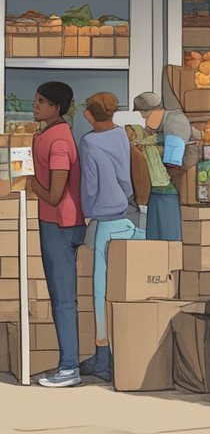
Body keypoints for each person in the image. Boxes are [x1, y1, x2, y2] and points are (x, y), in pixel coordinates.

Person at [29, 82, 85, 388]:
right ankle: (68, 365)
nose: (35, 105)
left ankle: (68, 368)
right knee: (61, 296)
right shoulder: (47, 134)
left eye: (42, 101)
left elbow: (53, 194)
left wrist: (27, 180)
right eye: (36, 99)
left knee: (63, 299)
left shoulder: (59, 141)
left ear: (57, 108)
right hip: (54, 223)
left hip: (60, 224)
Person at [78, 92, 136, 382]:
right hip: (123, 218)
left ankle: (103, 358)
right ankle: (120, 352)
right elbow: (125, 178)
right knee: (120, 288)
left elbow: (89, 184)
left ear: (90, 114)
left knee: (100, 291)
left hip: (101, 220)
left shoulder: (89, 142)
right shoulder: (121, 136)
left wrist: (85, 212)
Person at [131, 91, 199, 241]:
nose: (145, 120)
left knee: (169, 238)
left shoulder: (175, 123)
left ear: (154, 111)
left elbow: (173, 163)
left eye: (146, 115)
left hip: (174, 188)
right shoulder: (162, 124)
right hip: (159, 192)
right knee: (156, 239)